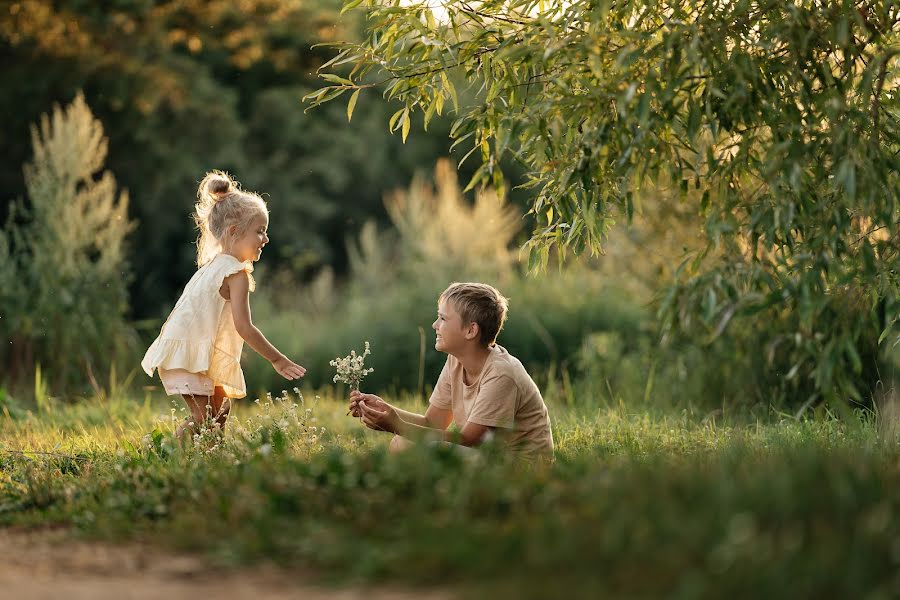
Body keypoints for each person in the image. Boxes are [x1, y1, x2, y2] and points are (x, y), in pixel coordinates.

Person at [142, 171, 305, 437]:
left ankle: (209, 460)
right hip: (190, 354)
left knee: (219, 411)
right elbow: (244, 327)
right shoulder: (235, 274)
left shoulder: (213, 267)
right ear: (233, 232)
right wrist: (277, 359)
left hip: (193, 352)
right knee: (204, 417)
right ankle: (174, 457)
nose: (266, 239)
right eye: (260, 231)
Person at [349, 282, 554, 461]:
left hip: (520, 469)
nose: (434, 325)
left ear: (471, 331)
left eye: (443, 319)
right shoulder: (456, 361)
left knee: (414, 445)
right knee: (404, 442)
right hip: (489, 457)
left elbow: (469, 440)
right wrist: (385, 410)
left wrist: (396, 424)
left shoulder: (501, 373)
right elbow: (433, 423)